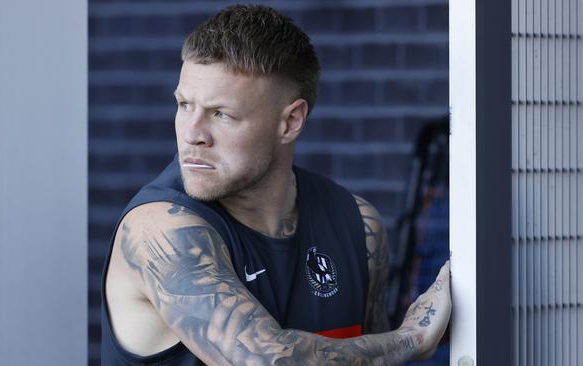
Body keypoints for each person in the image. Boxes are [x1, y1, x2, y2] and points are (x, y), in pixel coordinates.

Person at [101, 4, 451, 365]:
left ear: (290, 122)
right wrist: (414, 340)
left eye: (221, 114)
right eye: (184, 105)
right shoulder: (160, 230)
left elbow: (371, 358)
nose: (192, 134)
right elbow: (267, 361)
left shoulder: (358, 227)